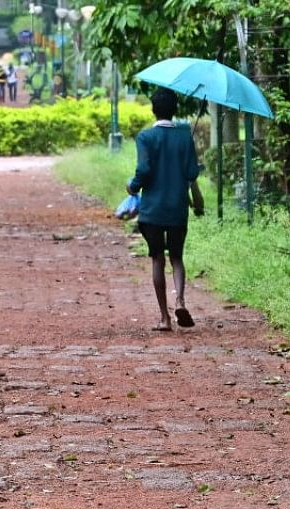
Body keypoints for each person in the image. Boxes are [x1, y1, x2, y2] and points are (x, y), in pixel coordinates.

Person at [127, 87, 203, 332]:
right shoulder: (184, 137)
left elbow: (144, 170)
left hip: (152, 212)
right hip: (177, 209)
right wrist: (197, 200)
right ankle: (180, 300)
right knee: (177, 258)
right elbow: (192, 173)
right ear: (175, 110)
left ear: (153, 109)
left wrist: (132, 187)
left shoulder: (146, 137)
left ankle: (164, 318)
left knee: (157, 259)